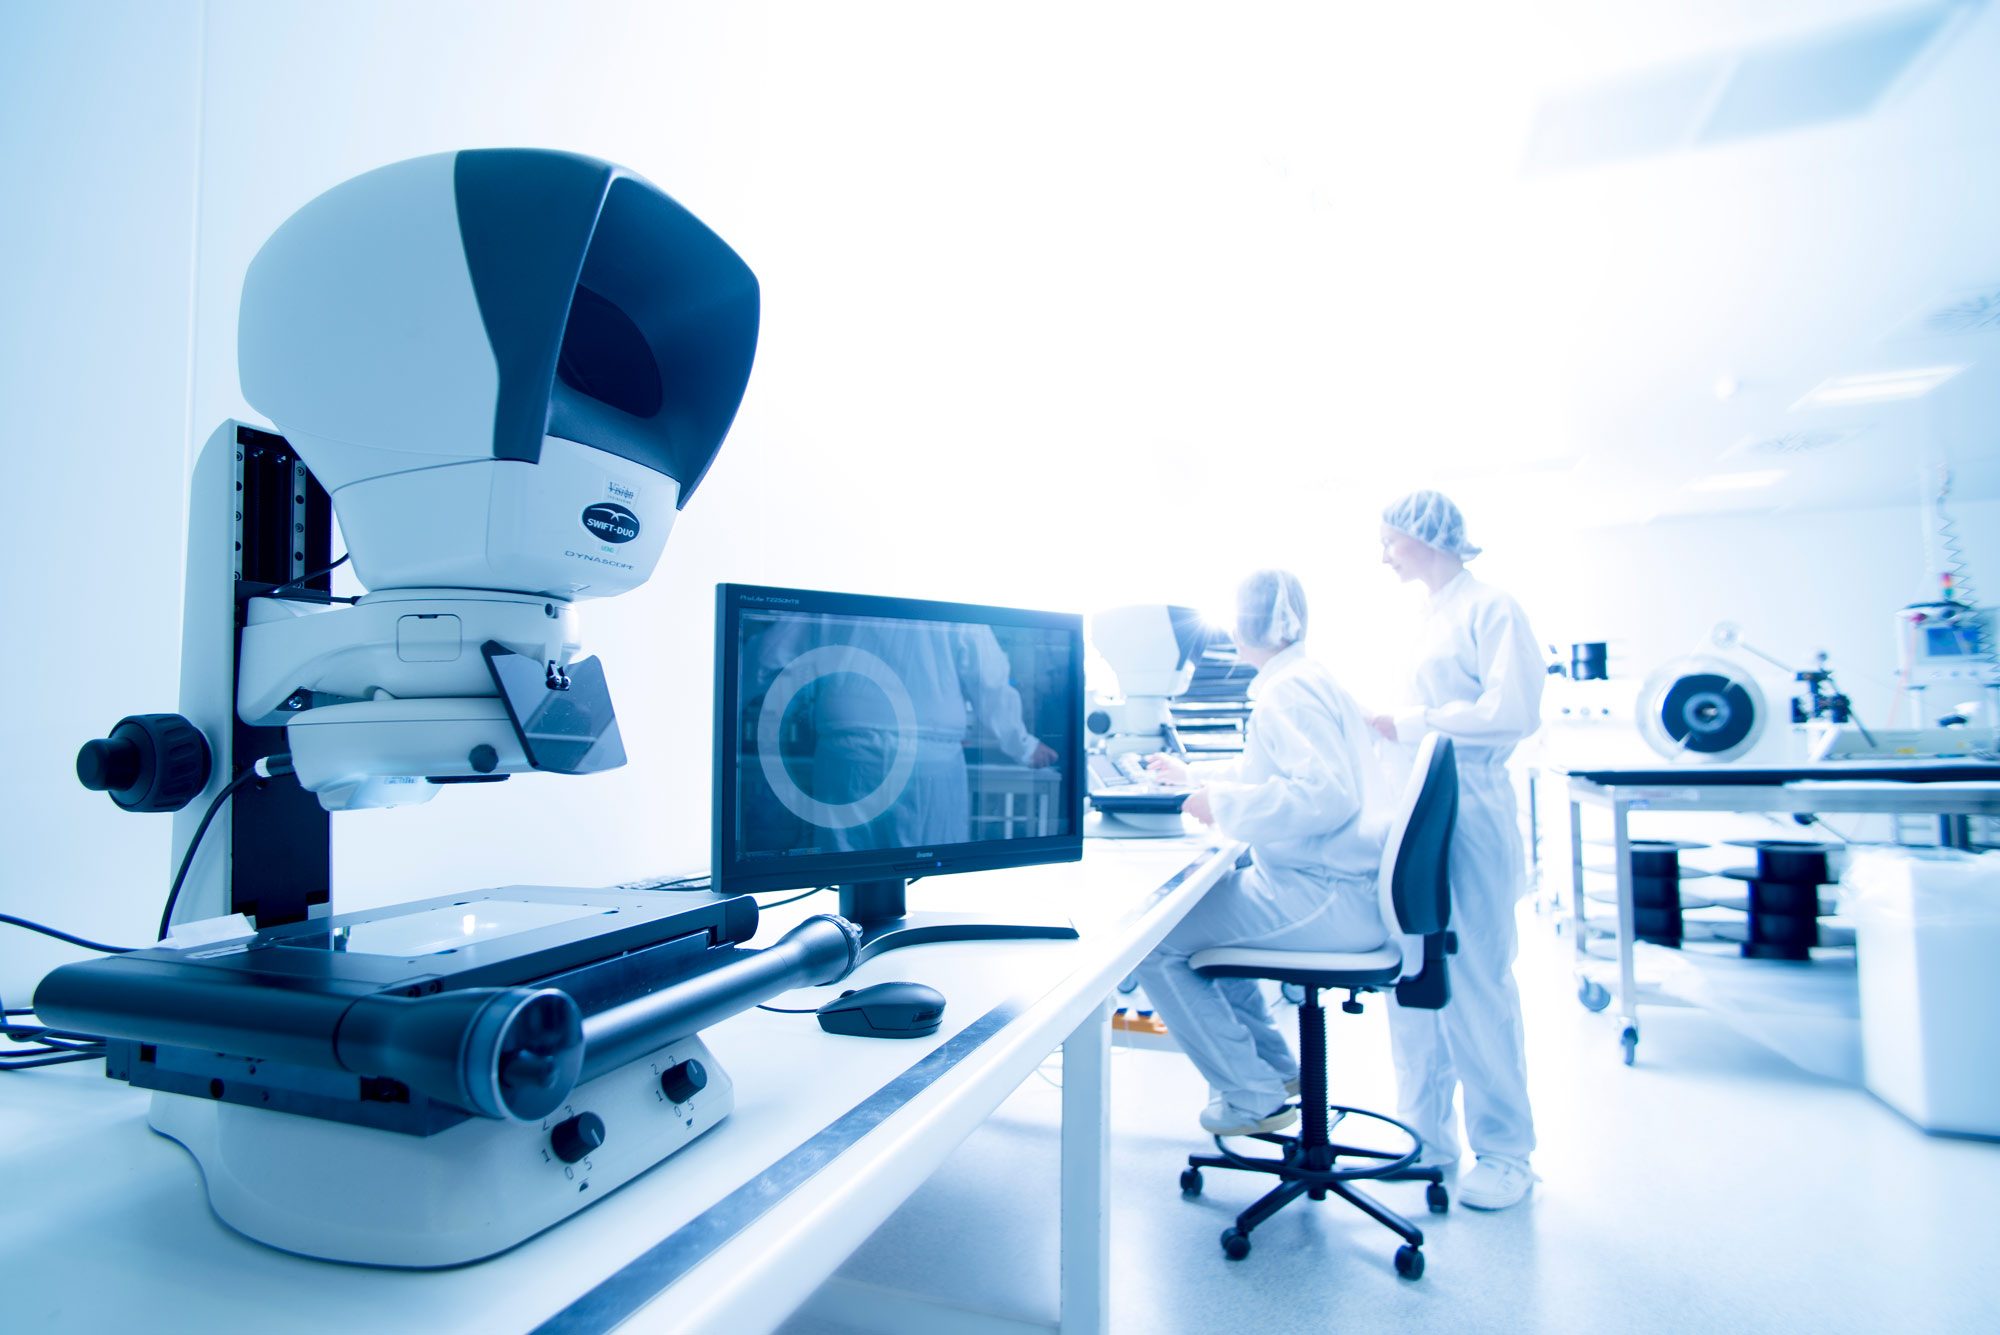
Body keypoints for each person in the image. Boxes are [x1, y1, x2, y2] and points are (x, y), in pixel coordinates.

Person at [1134, 570, 1390, 1136]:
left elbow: (1325, 796)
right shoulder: (1305, 678)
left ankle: (1251, 1096)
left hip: (1326, 895)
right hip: (1331, 885)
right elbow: (1268, 772)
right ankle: (1275, 1070)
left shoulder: (1288, 692)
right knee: (1204, 920)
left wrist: (1220, 803)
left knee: (1153, 942)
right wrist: (1196, 779)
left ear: (1241, 625)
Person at [1371, 489, 1544, 1211]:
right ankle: (1426, 1137)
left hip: (1470, 803)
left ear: (1427, 535)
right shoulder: (1425, 618)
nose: (1383, 555)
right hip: (1421, 804)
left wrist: (1408, 722)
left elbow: (1512, 711)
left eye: (1391, 540)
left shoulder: (1491, 608)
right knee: (1415, 971)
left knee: (1475, 979)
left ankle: (1506, 1152)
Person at [748, 614, 1057, 852]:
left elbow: (767, 655)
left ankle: (851, 936)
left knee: (847, 872)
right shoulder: (950, 590)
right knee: (931, 873)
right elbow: (988, 681)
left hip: (848, 754)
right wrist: (1023, 746)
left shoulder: (836, 583)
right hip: (931, 758)